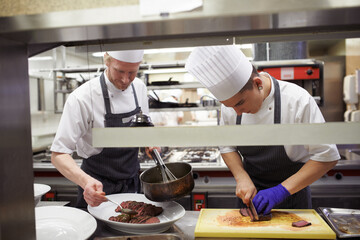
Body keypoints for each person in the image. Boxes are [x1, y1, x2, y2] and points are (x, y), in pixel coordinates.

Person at [185, 45, 340, 215]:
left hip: (293, 198)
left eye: (240, 103)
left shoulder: (297, 101)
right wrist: (241, 177)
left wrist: (280, 191)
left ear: (257, 83)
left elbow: (327, 156)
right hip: (249, 198)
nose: (236, 112)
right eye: (229, 106)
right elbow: (227, 146)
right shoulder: (231, 107)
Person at [51, 50, 156, 208]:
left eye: (132, 72)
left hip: (132, 183)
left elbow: (143, 126)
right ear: (107, 61)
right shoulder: (82, 97)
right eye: (120, 71)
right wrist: (86, 181)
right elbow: (58, 154)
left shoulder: (139, 88)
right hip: (97, 186)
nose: (125, 79)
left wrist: (149, 141)